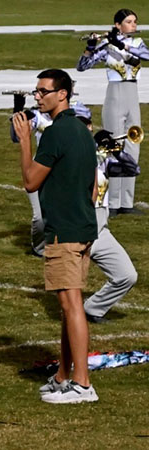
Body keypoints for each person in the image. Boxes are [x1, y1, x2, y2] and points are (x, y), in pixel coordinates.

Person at [13, 69, 99, 404]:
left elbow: (30, 182)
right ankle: (65, 375)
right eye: (36, 92)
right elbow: (93, 184)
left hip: (64, 229)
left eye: (42, 92)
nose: (37, 97)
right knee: (68, 307)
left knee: (71, 304)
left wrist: (25, 142)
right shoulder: (80, 129)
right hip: (83, 225)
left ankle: (82, 383)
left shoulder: (53, 134)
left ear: (62, 94)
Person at [77, 8, 149, 217]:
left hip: (132, 94)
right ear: (118, 25)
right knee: (113, 146)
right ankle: (113, 202)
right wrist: (90, 48)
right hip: (115, 94)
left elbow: (145, 56)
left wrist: (122, 44)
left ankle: (127, 201)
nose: (134, 25)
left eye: (135, 21)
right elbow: (82, 66)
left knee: (133, 145)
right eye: (129, 21)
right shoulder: (107, 45)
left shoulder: (136, 43)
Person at [9, 95, 93, 256]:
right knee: (40, 218)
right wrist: (18, 112)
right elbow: (15, 137)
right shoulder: (37, 114)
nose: (39, 96)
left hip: (69, 169)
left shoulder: (79, 109)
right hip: (42, 167)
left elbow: (87, 130)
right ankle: (40, 248)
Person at [85, 128, 138, 323]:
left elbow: (133, 170)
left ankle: (92, 308)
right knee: (70, 282)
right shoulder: (72, 160)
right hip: (79, 226)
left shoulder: (104, 163)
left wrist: (117, 151)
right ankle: (72, 316)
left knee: (127, 275)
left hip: (101, 228)